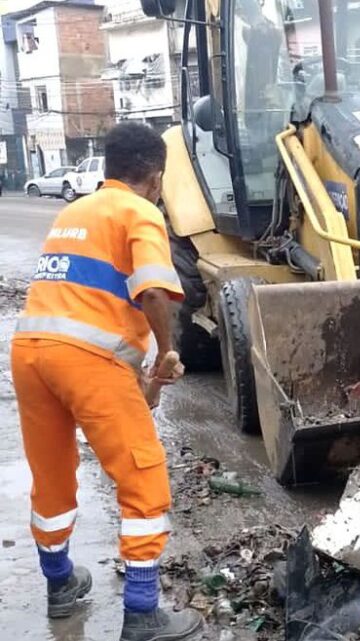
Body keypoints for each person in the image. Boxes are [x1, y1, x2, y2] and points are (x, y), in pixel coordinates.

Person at [12, 122, 202, 641]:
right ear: (156, 178)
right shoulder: (139, 212)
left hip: (31, 355)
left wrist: (151, 381)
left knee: (52, 476)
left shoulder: (74, 212)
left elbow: (94, 309)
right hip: (84, 361)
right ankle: (142, 613)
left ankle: (59, 585)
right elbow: (154, 291)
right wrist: (169, 351)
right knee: (143, 478)